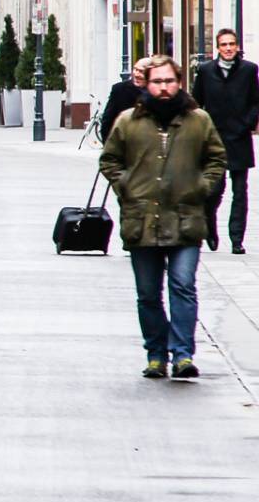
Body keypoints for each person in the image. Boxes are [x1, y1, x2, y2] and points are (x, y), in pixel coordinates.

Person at [101, 54, 226, 380]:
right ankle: (156, 354)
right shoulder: (129, 121)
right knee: (148, 293)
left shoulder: (198, 120)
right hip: (142, 219)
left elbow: (216, 158)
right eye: (157, 81)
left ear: (179, 82)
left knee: (183, 286)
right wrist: (126, 186)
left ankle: (183, 354)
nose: (164, 87)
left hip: (186, 217)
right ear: (146, 84)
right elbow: (109, 159)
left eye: (169, 81)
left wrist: (203, 186)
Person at [192, 30, 259, 254]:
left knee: (240, 192)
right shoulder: (205, 70)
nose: (228, 48)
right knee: (213, 190)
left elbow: (255, 102)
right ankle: (209, 225)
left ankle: (237, 239)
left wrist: (247, 124)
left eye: (232, 44)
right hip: (214, 138)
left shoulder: (249, 70)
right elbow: (196, 103)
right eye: (224, 45)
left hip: (239, 137)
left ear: (237, 46)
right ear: (217, 48)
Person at [100, 58, 150, 141]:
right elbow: (107, 122)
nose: (136, 74)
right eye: (135, 69)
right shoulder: (120, 90)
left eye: (141, 71)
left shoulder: (157, 92)